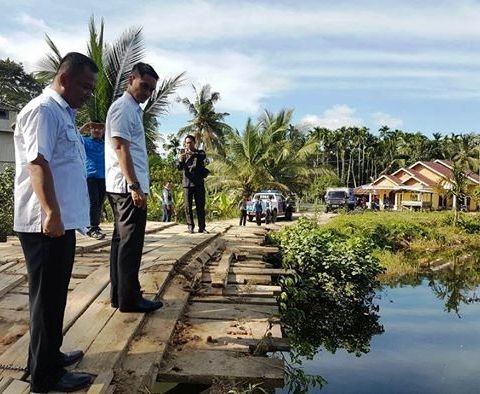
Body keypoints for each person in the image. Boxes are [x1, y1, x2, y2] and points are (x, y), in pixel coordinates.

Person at [13, 52, 96, 393]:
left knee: (54, 295)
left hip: (60, 222)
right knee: (46, 299)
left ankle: (49, 355)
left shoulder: (63, 113)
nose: (88, 94)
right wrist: (51, 213)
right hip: (44, 223)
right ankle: (44, 378)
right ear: (64, 79)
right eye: (84, 86)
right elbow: (37, 163)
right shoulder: (44, 111)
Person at [105, 62, 163, 313]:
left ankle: (120, 295)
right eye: (144, 86)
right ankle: (130, 298)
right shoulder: (123, 108)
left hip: (125, 185)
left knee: (121, 241)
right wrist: (134, 186)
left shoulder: (132, 110)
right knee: (131, 243)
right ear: (131, 79)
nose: (147, 93)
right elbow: (120, 147)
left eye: (151, 89)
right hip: (127, 187)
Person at [176, 135, 207, 233]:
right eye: (186, 143)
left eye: (190, 142)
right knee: (187, 206)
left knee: (200, 206)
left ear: (194, 143)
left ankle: (202, 227)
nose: (188, 145)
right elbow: (179, 168)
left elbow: (203, 157)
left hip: (198, 183)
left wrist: (192, 153)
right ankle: (190, 226)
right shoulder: (182, 154)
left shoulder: (199, 152)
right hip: (187, 183)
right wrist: (181, 160)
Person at [81, 121, 106, 240]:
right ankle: (92, 227)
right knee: (94, 201)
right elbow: (73, 137)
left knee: (100, 202)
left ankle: (94, 224)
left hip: (103, 176)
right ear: (90, 130)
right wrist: (83, 127)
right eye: (94, 128)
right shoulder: (85, 141)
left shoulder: (106, 144)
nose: (97, 131)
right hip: (90, 176)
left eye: (100, 128)